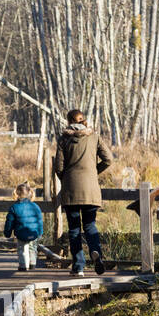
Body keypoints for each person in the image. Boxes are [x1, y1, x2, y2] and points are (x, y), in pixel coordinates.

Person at [53, 109, 113, 274]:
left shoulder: (64, 139)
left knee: (74, 229)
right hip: (91, 189)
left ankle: (78, 266)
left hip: (71, 190)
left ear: (69, 121)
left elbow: (58, 166)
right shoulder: (94, 137)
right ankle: (96, 254)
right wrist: (94, 172)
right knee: (90, 225)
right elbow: (109, 159)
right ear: (83, 120)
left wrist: (65, 178)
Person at [4, 181, 44, 271]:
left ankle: (23, 266)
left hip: (21, 233)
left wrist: (7, 233)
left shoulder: (14, 207)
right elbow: (39, 221)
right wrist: (40, 232)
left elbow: (9, 222)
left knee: (22, 248)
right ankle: (32, 264)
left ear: (17, 194)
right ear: (29, 193)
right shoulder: (35, 206)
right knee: (33, 247)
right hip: (34, 233)